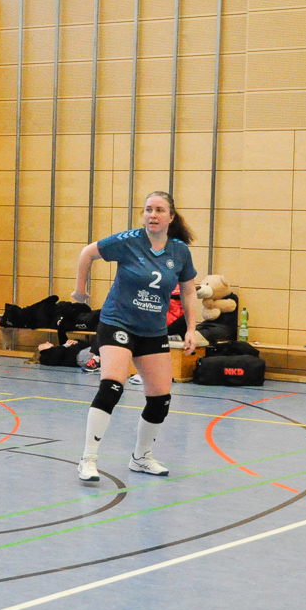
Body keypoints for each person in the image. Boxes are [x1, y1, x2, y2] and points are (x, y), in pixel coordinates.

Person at [70, 191, 200, 482]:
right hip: (118, 321)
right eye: (148, 209)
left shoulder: (179, 251)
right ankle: (88, 459)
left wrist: (191, 329)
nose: (153, 215)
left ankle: (141, 458)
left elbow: (189, 291)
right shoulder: (127, 241)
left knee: (160, 398)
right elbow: (87, 253)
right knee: (112, 386)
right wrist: (80, 290)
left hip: (152, 329)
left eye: (159, 210)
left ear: (171, 217)